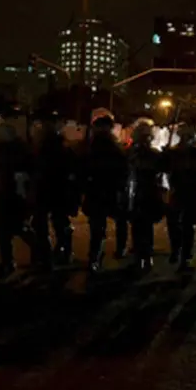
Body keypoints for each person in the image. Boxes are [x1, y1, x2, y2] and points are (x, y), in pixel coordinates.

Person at [0, 123, 40, 277]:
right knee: (3, 230)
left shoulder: (18, 150)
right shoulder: (3, 149)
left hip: (15, 194)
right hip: (7, 193)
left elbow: (27, 172)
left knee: (16, 228)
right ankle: (9, 261)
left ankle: (38, 254)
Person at [82, 114, 128, 272]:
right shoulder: (92, 146)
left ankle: (111, 251)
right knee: (99, 226)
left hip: (108, 189)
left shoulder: (112, 147)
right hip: (100, 190)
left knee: (111, 223)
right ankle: (96, 256)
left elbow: (123, 169)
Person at [32, 113, 80, 266]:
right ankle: (53, 251)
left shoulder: (57, 146)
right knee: (47, 223)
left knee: (56, 222)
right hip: (48, 189)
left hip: (54, 189)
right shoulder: (43, 145)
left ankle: (59, 251)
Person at [163, 123, 196, 270]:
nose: (185, 139)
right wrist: (165, 156)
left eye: (188, 137)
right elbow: (165, 168)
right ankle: (176, 249)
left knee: (188, 225)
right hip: (177, 191)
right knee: (173, 223)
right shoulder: (174, 153)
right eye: (183, 136)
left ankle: (185, 255)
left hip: (193, 192)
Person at [125, 121, 165, 270]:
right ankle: (139, 256)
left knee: (145, 226)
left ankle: (146, 255)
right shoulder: (130, 153)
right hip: (135, 192)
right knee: (137, 226)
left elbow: (162, 169)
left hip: (148, 192)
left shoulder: (153, 155)